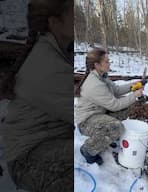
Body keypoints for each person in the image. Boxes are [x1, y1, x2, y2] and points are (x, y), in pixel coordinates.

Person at [1, 0, 74, 191]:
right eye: (73, 13)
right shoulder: (47, 65)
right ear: (54, 22)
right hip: (29, 157)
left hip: (51, 140)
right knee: (85, 159)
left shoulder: (57, 50)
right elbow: (80, 115)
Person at [75, 48, 143, 165]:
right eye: (106, 61)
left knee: (127, 108)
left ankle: (105, 137)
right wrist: (134, 96)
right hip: (87, 121)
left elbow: (116, 90)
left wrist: (134, 86)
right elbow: (114, 105)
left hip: (100, 113)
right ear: (97, 64)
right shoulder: (94, 83)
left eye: (109, 61)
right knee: (116, 127)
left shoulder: (102, 76)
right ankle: (88, 150)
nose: (109, 63)